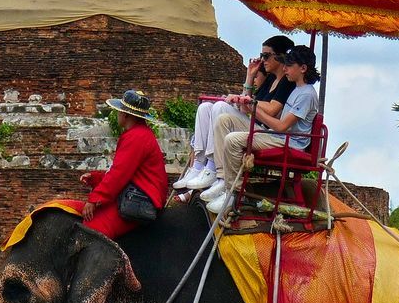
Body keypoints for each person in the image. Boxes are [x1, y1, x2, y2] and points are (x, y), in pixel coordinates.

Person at [201, 44, 320, 217]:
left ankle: (234, 192)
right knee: (224, 119)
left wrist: (253, 110)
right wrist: (250, 104)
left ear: (303, 68)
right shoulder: (296, 89)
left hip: (290, 141)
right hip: (278, 135)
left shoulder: (307, 94)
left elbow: (281, 126)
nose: (284, 68)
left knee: (233, 140)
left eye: (289, 65)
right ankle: (221, 177)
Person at [174, 34, 295, 193]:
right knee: (205, 108)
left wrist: (245, 101)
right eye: (261, 56)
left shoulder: (287, 82)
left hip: (265, 130)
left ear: (280, 57)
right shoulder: (270, 79)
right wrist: (249, 77)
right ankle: (198, 165)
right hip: (254, 122)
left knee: (219, 108)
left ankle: (212, 166)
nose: (263, 60)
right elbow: (248, 102)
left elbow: (272, 109)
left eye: (266, 56)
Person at [79, 88, 171, 240]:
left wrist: (94, 199)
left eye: (119, 111)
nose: (117, 114)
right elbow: (124, 172)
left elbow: (119, 174)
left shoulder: (137, 137)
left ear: (126, 114)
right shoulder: (139, 133)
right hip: (136, 192)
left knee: (93, 229)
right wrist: (96, 178)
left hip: (142, 198)